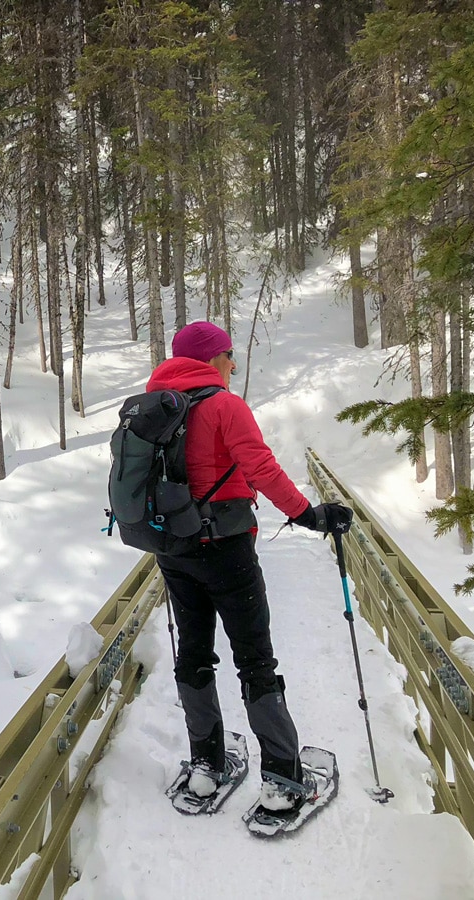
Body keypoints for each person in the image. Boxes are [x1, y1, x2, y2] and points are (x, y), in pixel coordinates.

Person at [147, 320, 353, 812]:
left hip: (172, 549)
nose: (233, 363)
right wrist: (309, 514)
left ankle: (206, 767)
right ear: (209, 359)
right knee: (255, 659)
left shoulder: (155, 409)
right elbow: (261, 466)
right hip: (226, 550)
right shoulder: (223, 405)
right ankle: (283, 780)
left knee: (193, 650)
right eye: (227, 354)